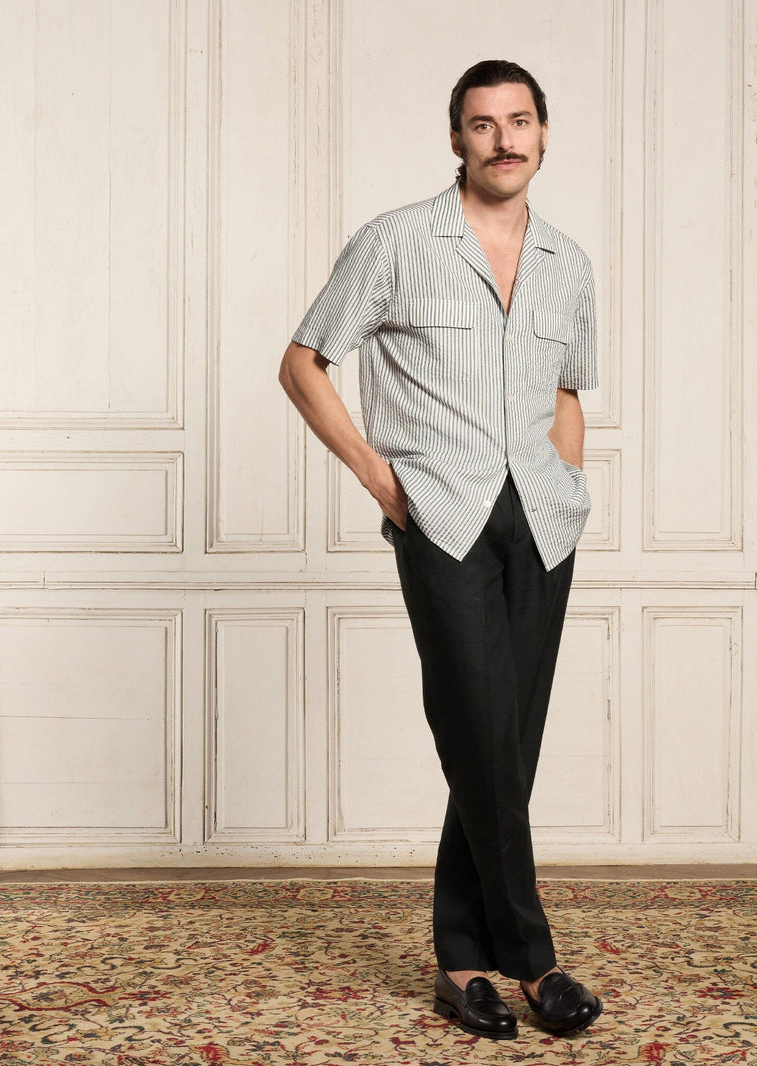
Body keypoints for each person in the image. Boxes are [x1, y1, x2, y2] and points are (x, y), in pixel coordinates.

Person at [278, 59, 602, 1041]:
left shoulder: (569, 263)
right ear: (456, 138)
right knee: (480, 725)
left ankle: (460, 962)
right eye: (483, 123)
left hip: (541, 520)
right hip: (443, 515)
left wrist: (568, 490)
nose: (503, 139)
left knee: (504, 741)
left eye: (519, 121)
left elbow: (567, 392)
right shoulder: (396, 241)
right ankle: (534, 961)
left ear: (543, 133)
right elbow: (302, 362)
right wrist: (383, 481)